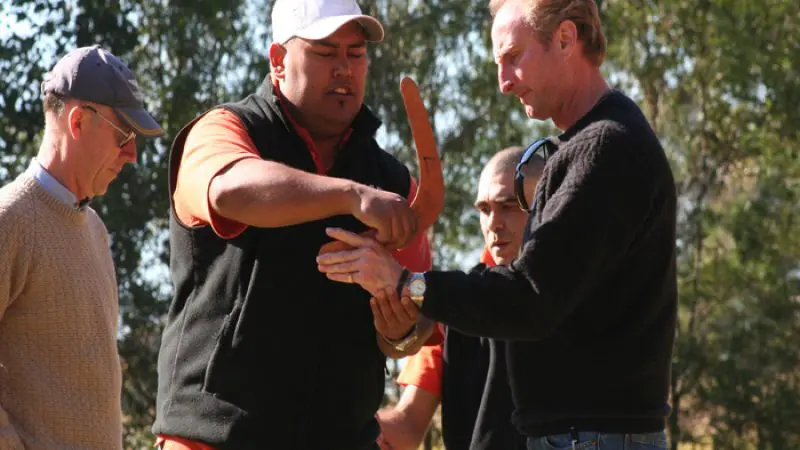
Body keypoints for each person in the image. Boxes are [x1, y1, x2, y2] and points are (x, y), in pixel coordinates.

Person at [317, 0, 678, 449]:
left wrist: (407, 282)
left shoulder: (605, 148)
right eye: (497, 64)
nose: (504, 83)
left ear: (565, 39)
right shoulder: (585, 146)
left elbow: (531, 297)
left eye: (513, 58)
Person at [151, 1, 435, 449]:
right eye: (325, 51)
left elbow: (417, 322)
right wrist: (352, 196)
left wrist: (399, 326)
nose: (344, 68)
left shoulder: (393, 180)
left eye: (356, 54)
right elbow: (230, 190)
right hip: (214, 438)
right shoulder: (224, 130)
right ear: (278, 61)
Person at [0, 45, 164, 449]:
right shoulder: (9, 221)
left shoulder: (95, 229)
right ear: (77, 121)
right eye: (125, 134)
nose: (133, 155)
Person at [376, 146, 545, 450]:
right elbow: (408, 423)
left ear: (546, 204)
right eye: (484, 209)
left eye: (509, 206)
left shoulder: (580, 291)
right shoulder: (450, 301)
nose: (494, 223)